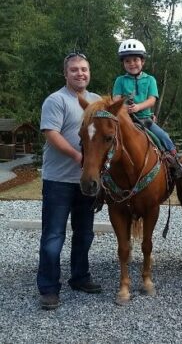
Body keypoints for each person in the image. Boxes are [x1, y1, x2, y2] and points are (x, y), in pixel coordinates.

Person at [37, 52, 102, 310]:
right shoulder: (56, 100)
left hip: (87, 181)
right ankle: (49, 288)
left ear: (89, 72)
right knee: (54, 236)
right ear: (66, 74)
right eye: (74, 70)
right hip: (59, 181)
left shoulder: (97, 101)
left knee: (84, 233)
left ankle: (80, 277)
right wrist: (78, 156)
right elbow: (51, 133)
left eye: (84, 69)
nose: (80, 73)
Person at [112, 38, 177, 157]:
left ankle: (174, 161)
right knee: (108, 139)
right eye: (127, 61)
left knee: (164, 137)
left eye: (135, 60)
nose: (131, 63)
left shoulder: (150, 79)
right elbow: (116, 100)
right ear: (123, 63)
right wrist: (124, 108)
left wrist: (138, 107)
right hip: (125, 120)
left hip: (145, 120)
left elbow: (152, 100)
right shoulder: (120, 80)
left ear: (142, 61)